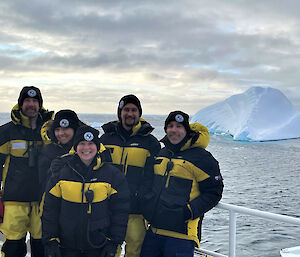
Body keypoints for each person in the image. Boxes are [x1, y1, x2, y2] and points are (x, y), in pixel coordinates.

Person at [140, 111, 223, 257]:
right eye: (170, 126)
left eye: (179, 126)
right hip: (154, 230)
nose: (174, 130)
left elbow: (214, 192)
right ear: (166, 130)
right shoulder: (162, 154)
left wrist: (189, 211)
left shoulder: (202, 158)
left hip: (182, 235)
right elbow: (151, 183)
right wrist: (147, 203)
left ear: (186, 130)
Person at [42, 125, 130, 257]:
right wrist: (50, 240)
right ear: (75, 147)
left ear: (97, 146)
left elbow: (120, 211)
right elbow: (50, 209)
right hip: (66, 246)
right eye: (82, 144)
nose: (86, 148)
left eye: (91, 143)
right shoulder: (62, 173)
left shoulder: (112, 175)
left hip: (99, 246)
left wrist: (113, 242)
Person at [100, 94, 161, 257]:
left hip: (137, 209)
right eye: (126, 109)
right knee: (109, 249)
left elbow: (154, 175)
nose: (130, 113)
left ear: (139, 114)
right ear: (120, 112)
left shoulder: (150, 142)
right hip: (109, 207)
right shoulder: (106, 139)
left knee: (135, 250)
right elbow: (97, 168)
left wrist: (143, 194)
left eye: (134, 110)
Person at [0, 86, 54, 257]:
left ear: (40, 105)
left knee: (42, 247)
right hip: (15, 200)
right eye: (27, 101)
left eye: (35, 101)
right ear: (20, 103)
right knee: (13, 247)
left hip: (42, 199)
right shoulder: (6, 131)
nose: (31, 105)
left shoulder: (49, 130)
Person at [38, 109, 82, 202]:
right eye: (57, 130)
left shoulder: (86, 151)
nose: (61, 133)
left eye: (66, 129)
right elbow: (43, 183)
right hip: (53, 202)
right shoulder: (47, 152)